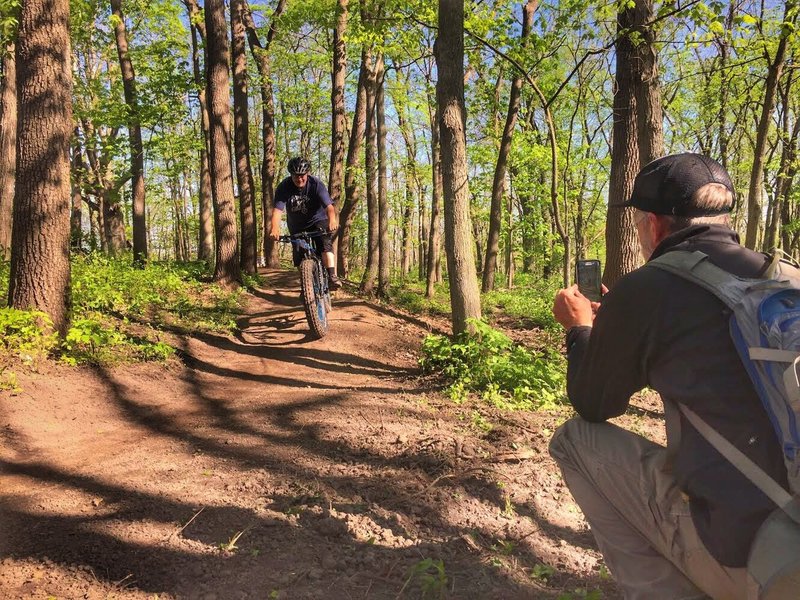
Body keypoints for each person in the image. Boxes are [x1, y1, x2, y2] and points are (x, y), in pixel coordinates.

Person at [549, 153, 789, 600]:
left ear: (654, 226)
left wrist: (581, 330)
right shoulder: (785, 280)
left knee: (574, 441)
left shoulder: (647, 287)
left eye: (640, 223)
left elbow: (594, 403)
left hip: (762, 562)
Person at [269, 156, 341, 291]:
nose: (299, 179)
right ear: (291, 175)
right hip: (296, 225)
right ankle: (306, 287)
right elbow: (278, 210)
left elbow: (329, 207)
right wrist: (275, 228)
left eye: (302, 175)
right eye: (295, 176)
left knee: (325, 245)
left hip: (318, 220)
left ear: (307, 173)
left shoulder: (316, 184)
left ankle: (332, 277)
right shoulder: (284, 187)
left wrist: (332, 220)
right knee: (299, 257)